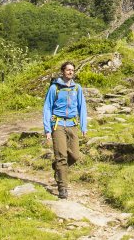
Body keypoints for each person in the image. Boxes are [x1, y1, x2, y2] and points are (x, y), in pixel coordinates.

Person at [42, 61, 87, 199]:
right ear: (62, 71)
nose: (70, 72)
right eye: (68, 70)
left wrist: (83, 126)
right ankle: (63, 188)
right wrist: (47, 129)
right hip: (58, 125)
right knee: (61, 156)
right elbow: (47, 108)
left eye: (72, 70)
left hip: (72, 124)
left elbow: (82, 108)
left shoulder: (77, 88)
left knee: (75, 156)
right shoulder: (54, 88)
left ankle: (57, 167)